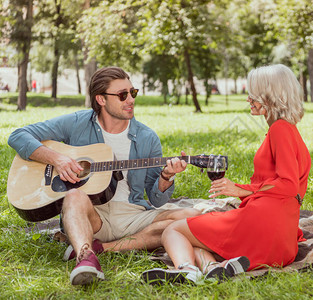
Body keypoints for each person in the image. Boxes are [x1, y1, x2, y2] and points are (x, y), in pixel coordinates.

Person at [8, 66, 200, 286]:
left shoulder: (147, 138)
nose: (130, 100)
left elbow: (156, 199)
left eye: (132, 93)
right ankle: (85, 258)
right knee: (73, 196)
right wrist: (57, 159)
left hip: (133, 216)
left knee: (191, 217)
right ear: (100, 99)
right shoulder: (78, 122)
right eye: (122, 95)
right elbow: (18, 135)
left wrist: (166, 177)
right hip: (91, 214)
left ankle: (99, 248)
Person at [142, 64, 311, 284]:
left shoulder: (280, 129)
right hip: (282, 242)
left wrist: (240, 189)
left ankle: (186, 269)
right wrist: (243, 191)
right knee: (197, 236)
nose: (249, 99)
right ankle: (214, 267)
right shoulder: (288, 129)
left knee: (173, 231)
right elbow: (284, 188)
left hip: (263, 228)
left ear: (271, 96)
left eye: (254, 94)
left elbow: (287, 185)